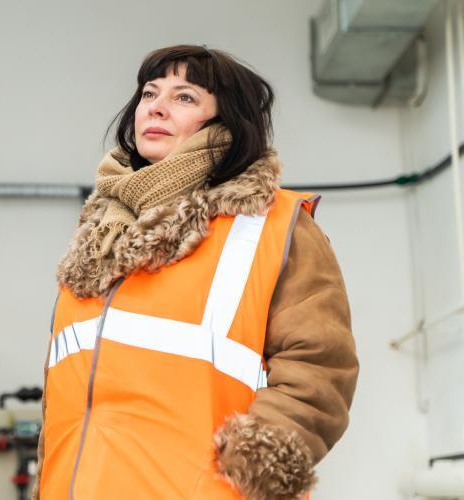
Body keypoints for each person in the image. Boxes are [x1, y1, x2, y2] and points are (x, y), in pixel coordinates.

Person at [31, 45, 359, 500]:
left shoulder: (271, 225)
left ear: (228, 122)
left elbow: (321, 368)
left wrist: (253, 463)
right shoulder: (100, 235)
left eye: (184, 97)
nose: (156, 107)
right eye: (150, 93)